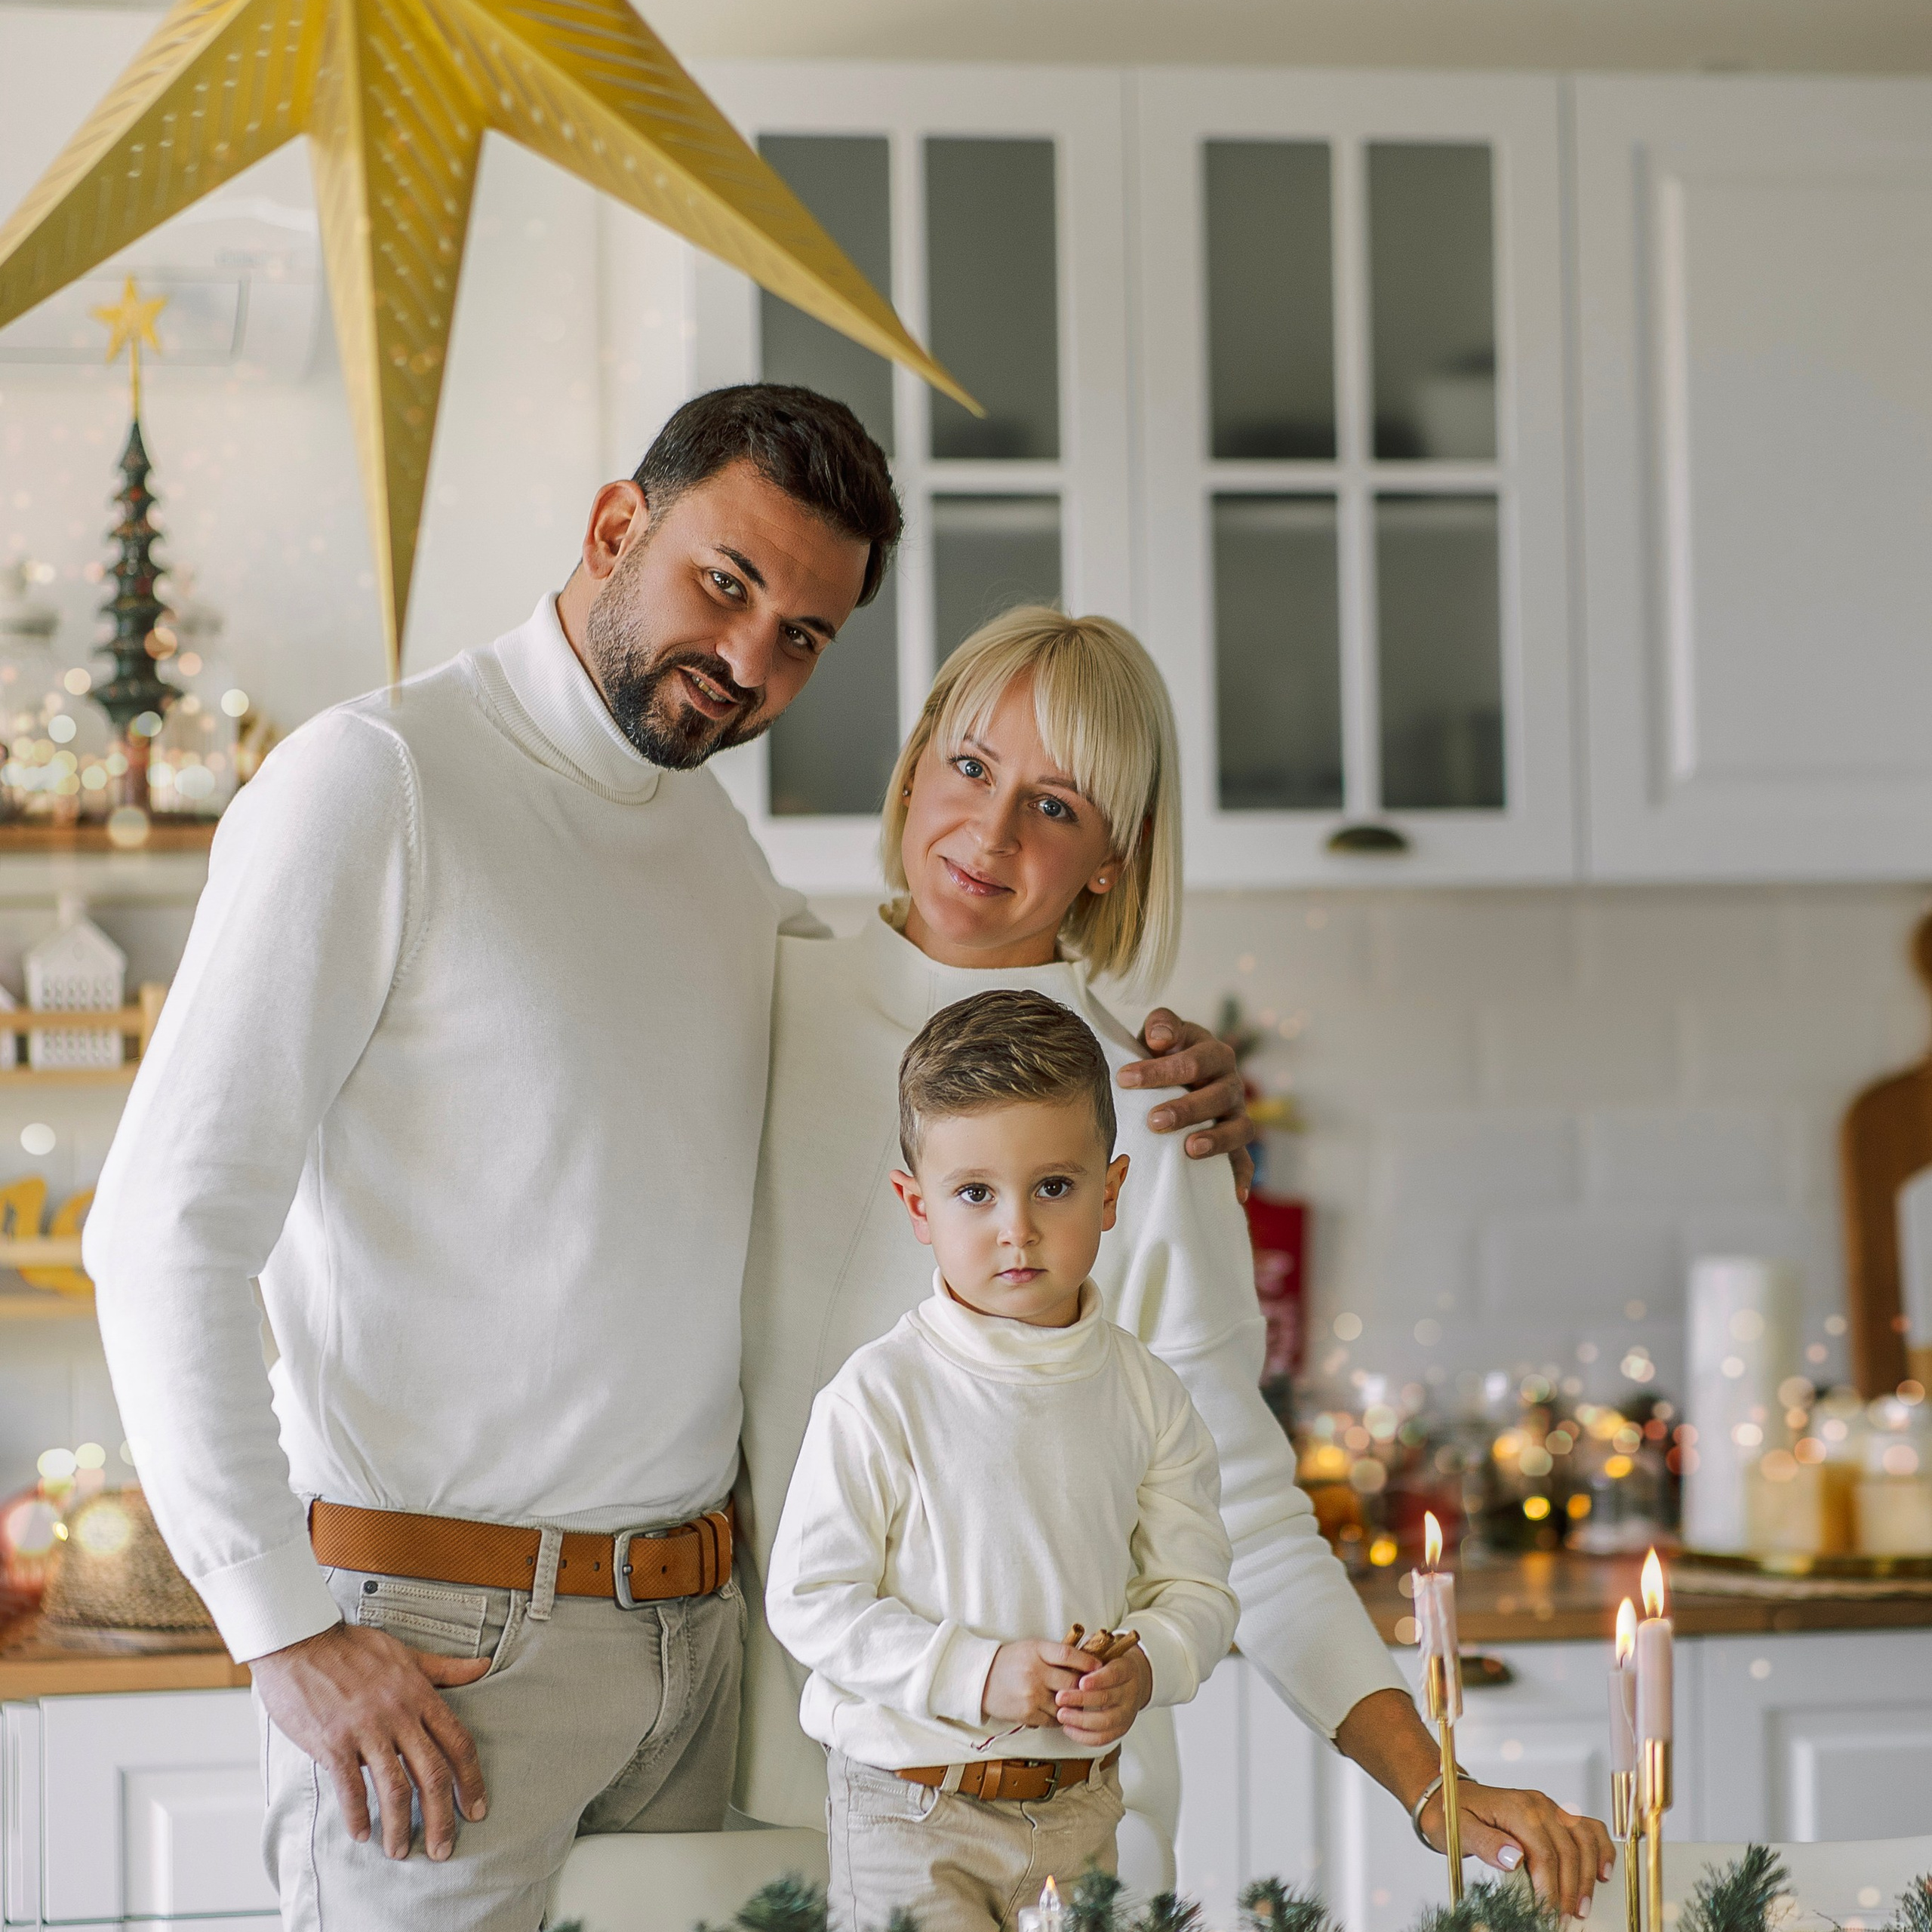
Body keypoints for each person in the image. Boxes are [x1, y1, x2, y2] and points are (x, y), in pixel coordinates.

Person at [83, 387, 1251, 1932]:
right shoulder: (377, 780)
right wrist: (280, 1627)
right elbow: (163, 1226)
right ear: (615, 525)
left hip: (700, 1652)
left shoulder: (716, 859)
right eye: (727, 582)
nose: (754, 657)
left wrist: (1136, 1063)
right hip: (442, 1649)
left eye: (805, 634)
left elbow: (921, 1024)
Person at [738, 608, 1616, 1915]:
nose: (989, 835)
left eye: (1057, 806)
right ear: (917, 759)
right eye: (971, 767)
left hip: (1068, 1826)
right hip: (763, 1792)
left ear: (1114, 857)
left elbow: (1242, 1517)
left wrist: (1430, 1779)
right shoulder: (757, 1006)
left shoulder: (1150, 1117)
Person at [767, 989, 1239, 1932]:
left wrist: (1147, 1665)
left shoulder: (1147, 1395)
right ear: (917, 1205)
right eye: (975, 1193)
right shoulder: (879, 1396)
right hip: (910, 1813)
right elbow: (809, 1601)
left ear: (1110, 1192)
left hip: (1081, 1810)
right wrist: (977, 1674)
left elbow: (1197, 1588)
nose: (1015, 1228)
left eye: (1052, 1187)